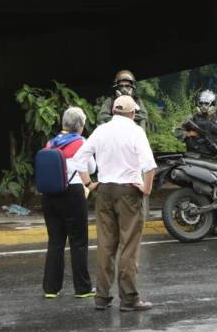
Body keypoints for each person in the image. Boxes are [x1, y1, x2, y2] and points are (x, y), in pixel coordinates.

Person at [72, 96, 157, 312]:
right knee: (128, 246)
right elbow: (149, 165)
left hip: (104, 191)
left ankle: (101, 297)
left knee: (106, 245)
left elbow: (79, 159)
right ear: (133, 113)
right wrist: (146, 190)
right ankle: (128, 298)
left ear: (113, 111)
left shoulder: (101, 130)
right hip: (129, 191)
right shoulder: (136, 131)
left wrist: (89, 184)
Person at [41, 107, 96, 299]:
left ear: (64, 124)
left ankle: (50, 288)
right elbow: (91, 167)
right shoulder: (82, 142)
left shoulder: (50, 142)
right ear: (80, 126)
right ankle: (82, 288)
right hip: (73, 193)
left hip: (49, 195)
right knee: (78, 242)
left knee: (55, 241)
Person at [174, 90, 217, 160]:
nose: (203, 106)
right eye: (201, 103)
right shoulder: (191, 118)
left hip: (213, 158)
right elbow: (177, 131)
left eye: (206, 103)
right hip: (193, 158)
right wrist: (188, 134)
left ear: (212, 104)